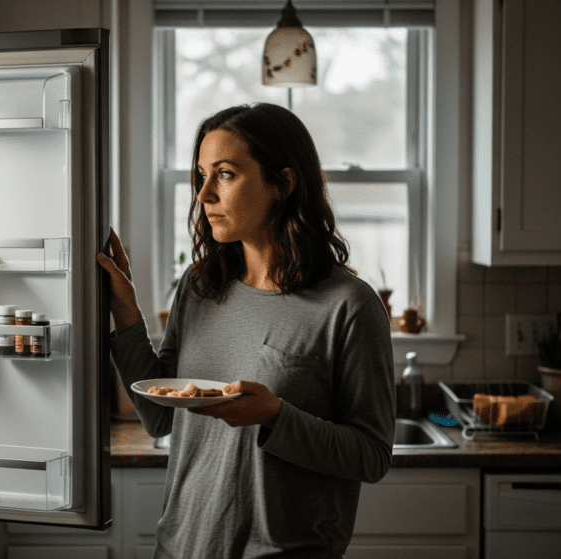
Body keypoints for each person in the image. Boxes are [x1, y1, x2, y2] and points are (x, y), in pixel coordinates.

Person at [97, 103, 395, 559]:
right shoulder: (199, 286)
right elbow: (160, 417)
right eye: (202, 175)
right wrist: (126, 311)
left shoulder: (350, 306)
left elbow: (371, 455)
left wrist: (275, 415)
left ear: (283, 184)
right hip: (180, 547)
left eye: (226, 174)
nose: (204, 195)